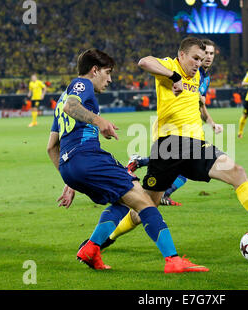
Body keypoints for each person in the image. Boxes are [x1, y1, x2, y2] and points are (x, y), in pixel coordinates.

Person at [86, 37, 248, 252]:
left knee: (237, 172)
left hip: (195, 145)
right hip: (168, 146)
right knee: (145, 206)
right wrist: (173, 75)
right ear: (181, 55)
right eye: (195, 58)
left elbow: (196, 100)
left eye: (202, 58)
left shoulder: (197, 76)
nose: (198, 62)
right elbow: (143, 62)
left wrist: (209, 119)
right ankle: (106, 238)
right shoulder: (169, 66)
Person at [46, 48, 208, 273]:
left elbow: (51, 146)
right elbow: (71, 107)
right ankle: (173, 260)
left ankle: (91, 249)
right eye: (107, 72)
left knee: (122, 200)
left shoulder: (62, 98)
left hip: (70, 166)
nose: (110, 79)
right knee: (143, 200)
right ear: (94, 70)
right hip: (88, 158)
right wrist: (99, 121)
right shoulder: (80, 86)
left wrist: (70, 180)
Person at [125, 39, 222, 208]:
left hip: (191, 132)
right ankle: (131, 196)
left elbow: (198, 104)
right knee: (178, 171)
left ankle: (143, 167)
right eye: (204, 54)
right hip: (171, 130)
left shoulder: (202, 77)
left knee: (182, 168)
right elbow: (145, 62)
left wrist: (211, 123)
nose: (207, 58)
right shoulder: (177, 68)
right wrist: (174, 77)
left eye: (211, 54)